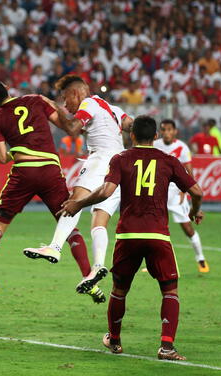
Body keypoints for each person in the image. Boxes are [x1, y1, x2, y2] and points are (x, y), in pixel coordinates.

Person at [58, 115, 204, 361]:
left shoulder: (121, 159)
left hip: (128, 235)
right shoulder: (169, 161)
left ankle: (114, 341)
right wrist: (193, 210)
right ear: (156, 136)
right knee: (170, 291)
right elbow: (197, 191)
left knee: (119, 290)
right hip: (158, 234)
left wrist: (78, 203)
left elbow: (106, 191)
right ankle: (167, 347)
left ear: (131, 135)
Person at [0, 78, 105, 304]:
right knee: (68, 223)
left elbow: (1, 158)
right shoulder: (34, 100)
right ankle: (90, 280)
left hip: (24, 171)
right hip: (50, 169)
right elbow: (63, 124)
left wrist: (18, 150)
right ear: (8, 89)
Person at [26, 75, 133, 295]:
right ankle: (97, 267)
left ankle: (55, 247)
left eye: (66, 99)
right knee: (99, 221)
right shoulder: (111, 108)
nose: (66, 105)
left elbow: (74, 128)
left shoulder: (88, 103)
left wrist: (53, 110)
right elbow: (131, 125)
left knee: (75, 200)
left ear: (76, 93)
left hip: (101, 158)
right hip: (121, 162)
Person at [154, 119, 209, 272]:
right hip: (158, 191)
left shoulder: (182, 147)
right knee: (154, 227)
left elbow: (189, 173)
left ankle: (200, 258)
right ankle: (153, 262)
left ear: (175, 131)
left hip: (176, 192)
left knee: (187, 228)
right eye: (163, 129)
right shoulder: (155, 145)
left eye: (169, 129)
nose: (166, 132)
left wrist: (184, 191)